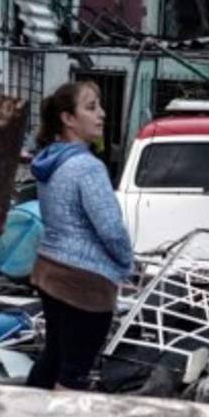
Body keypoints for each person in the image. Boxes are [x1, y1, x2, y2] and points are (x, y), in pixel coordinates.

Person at [25, 81, 134, 390]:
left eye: (99, 106)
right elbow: (111, 229)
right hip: (84, 284)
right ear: (68, 119)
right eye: (91, 107)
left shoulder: (50, 161)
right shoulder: (87, 167)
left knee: (53, 358)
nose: (102, 114)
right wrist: (127, 262)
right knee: (73, 374)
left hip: (50, 271)